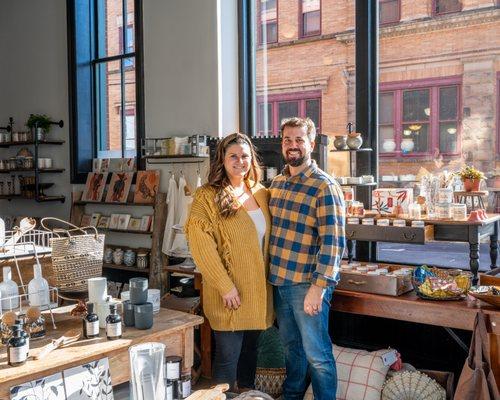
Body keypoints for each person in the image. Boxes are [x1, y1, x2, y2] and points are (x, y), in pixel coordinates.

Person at [185, 133, 273, 391]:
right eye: (233, 156)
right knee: (227, 363)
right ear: (222, 160)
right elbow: (201, 247)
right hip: (230, 294)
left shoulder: (261, 192)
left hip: (258, 293)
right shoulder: (207, 196)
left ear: (252, 159)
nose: (240, 161)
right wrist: (225, 286)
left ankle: (246, 397)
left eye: (245, 156)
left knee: (249, 360)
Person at [268, 117, 346, 400]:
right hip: (279, 282)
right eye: (288, 140)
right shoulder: (276, 184)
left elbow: (334, 242)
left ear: (311, 144)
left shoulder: (325, 186)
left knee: (318, 356)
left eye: (299, 140)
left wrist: (319, 287)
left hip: (307, 286)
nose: (293, 146)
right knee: (292, 350)